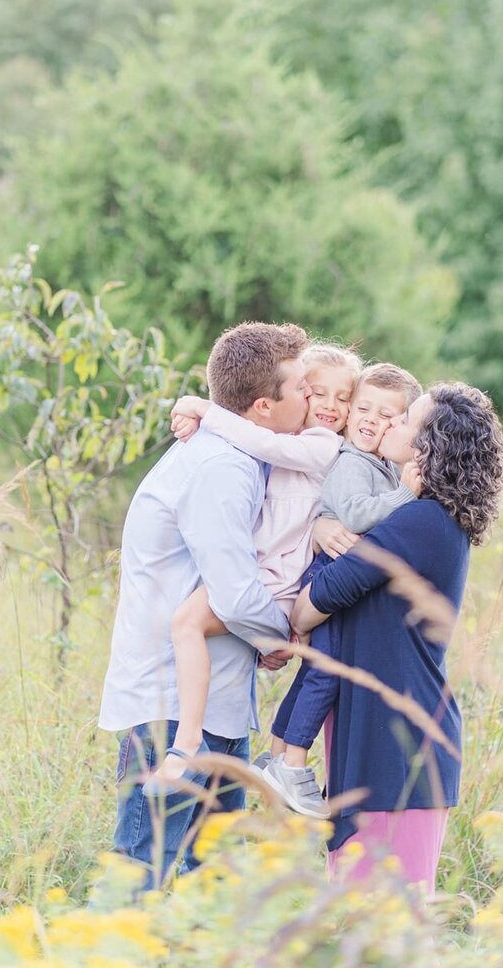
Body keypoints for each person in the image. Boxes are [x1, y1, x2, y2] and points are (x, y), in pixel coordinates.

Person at [97, 321, 311, 888]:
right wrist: (282, 637)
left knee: (211, 883)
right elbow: (236, 594)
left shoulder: (243, 452)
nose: (314, 399)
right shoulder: (222, 468)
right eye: (304, 390)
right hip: (172, 710)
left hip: (218, 704)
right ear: (264, 407)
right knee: (140, 876)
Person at [291, 382, 503, 896]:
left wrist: (325, 541)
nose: (390, 423)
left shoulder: (420, 521)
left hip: (400, 751)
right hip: (378, 736)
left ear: (428, 446)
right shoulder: (417, 515)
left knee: (390, 928)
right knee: (360, 926)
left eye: (405, 417)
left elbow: (312, 604)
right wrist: (324, 524)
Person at [144, 342, 362, 794]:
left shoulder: (323, 447)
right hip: (260, 572)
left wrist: (205, 409)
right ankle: (193, 740)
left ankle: (187, 741)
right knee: (187, 624)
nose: (329, 406)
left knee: (186, 622)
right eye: (315, 392)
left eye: (344, 398)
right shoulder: (290, 441)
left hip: (276, 579)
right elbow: (256, 433)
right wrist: (194, 416)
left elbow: (256, 436)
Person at [261, 362, 422, 815]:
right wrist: (405, 495)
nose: (371, 419)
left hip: (333, 572)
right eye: (365, 408)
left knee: (317, 668)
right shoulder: (354, 461)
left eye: (387, 415)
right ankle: (293, 763)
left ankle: (276, 752)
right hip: (327, 576)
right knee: (327, 671)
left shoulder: (380, 466)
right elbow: (354, 514)